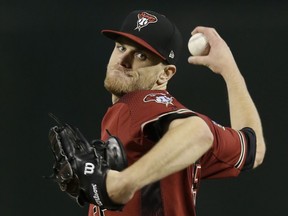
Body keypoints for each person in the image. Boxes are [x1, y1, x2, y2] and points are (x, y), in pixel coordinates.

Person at [88, 10, 266, 216]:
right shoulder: (171, 127)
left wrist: (125, 182)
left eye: (141, 55)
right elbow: (255, 149)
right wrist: (229, 69)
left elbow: (199, 131)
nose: (123, 60)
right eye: (121, 47)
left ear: (165, 74)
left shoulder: (136, 104)